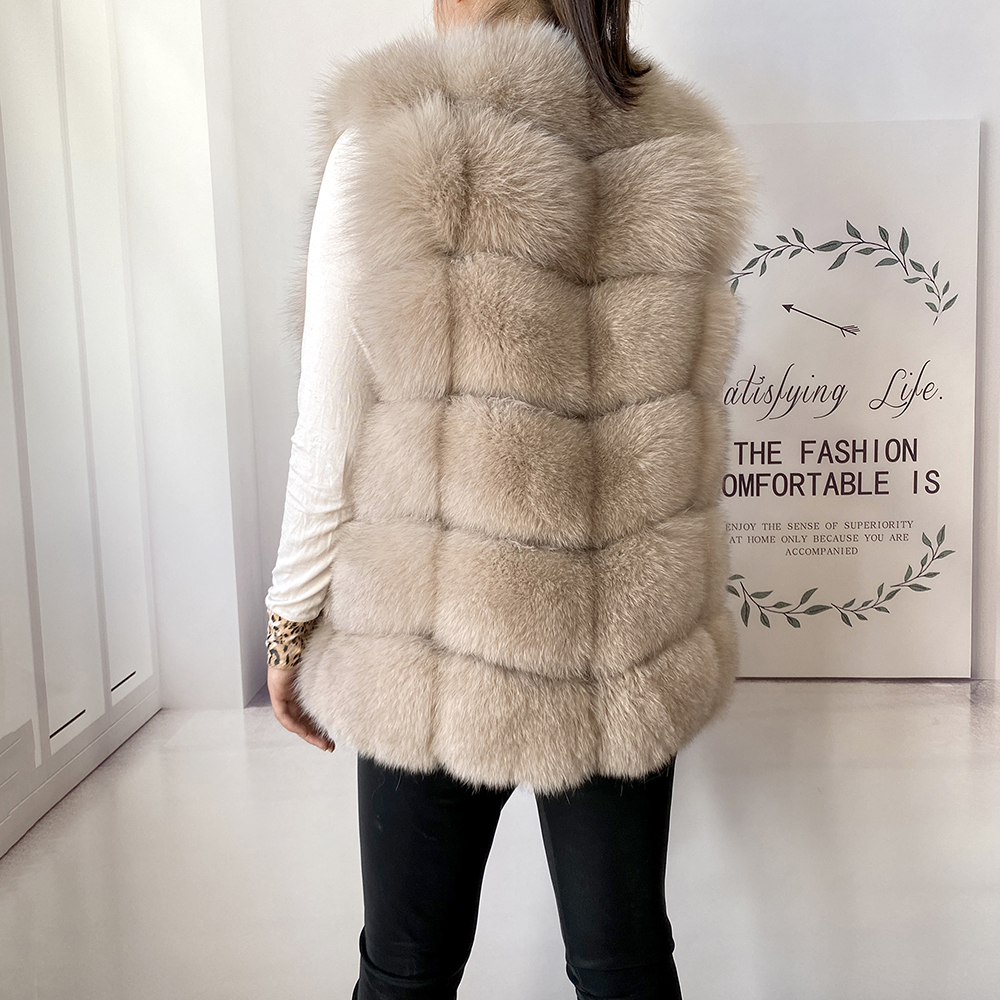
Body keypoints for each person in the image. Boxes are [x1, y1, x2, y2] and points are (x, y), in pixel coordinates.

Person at [265, 0, 752, 996]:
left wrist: (286, 624)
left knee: (404, 971)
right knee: (624, 968)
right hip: (621, 645)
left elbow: (331, 431)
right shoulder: (676, 142)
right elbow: (685, 428)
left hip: (439, 641)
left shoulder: (398, 136)